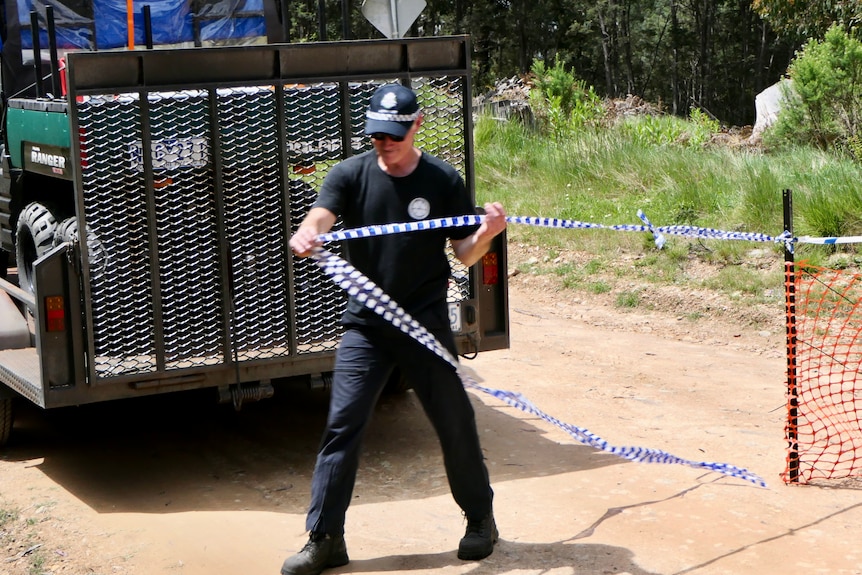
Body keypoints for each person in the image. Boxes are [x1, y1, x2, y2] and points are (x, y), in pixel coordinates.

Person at [282, 83, 507, 575]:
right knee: (343, 425)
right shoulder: (350, 174)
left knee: (453, 420)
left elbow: (464, 252)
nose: (384, 144)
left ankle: (480, 519)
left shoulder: (443, 180)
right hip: (366, 324)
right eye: (377, 135)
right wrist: (310, 230)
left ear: (416, 126)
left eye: (394, 136)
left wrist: (486, 234)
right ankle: (325, 539)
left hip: (423, 322)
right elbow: (322, 213)